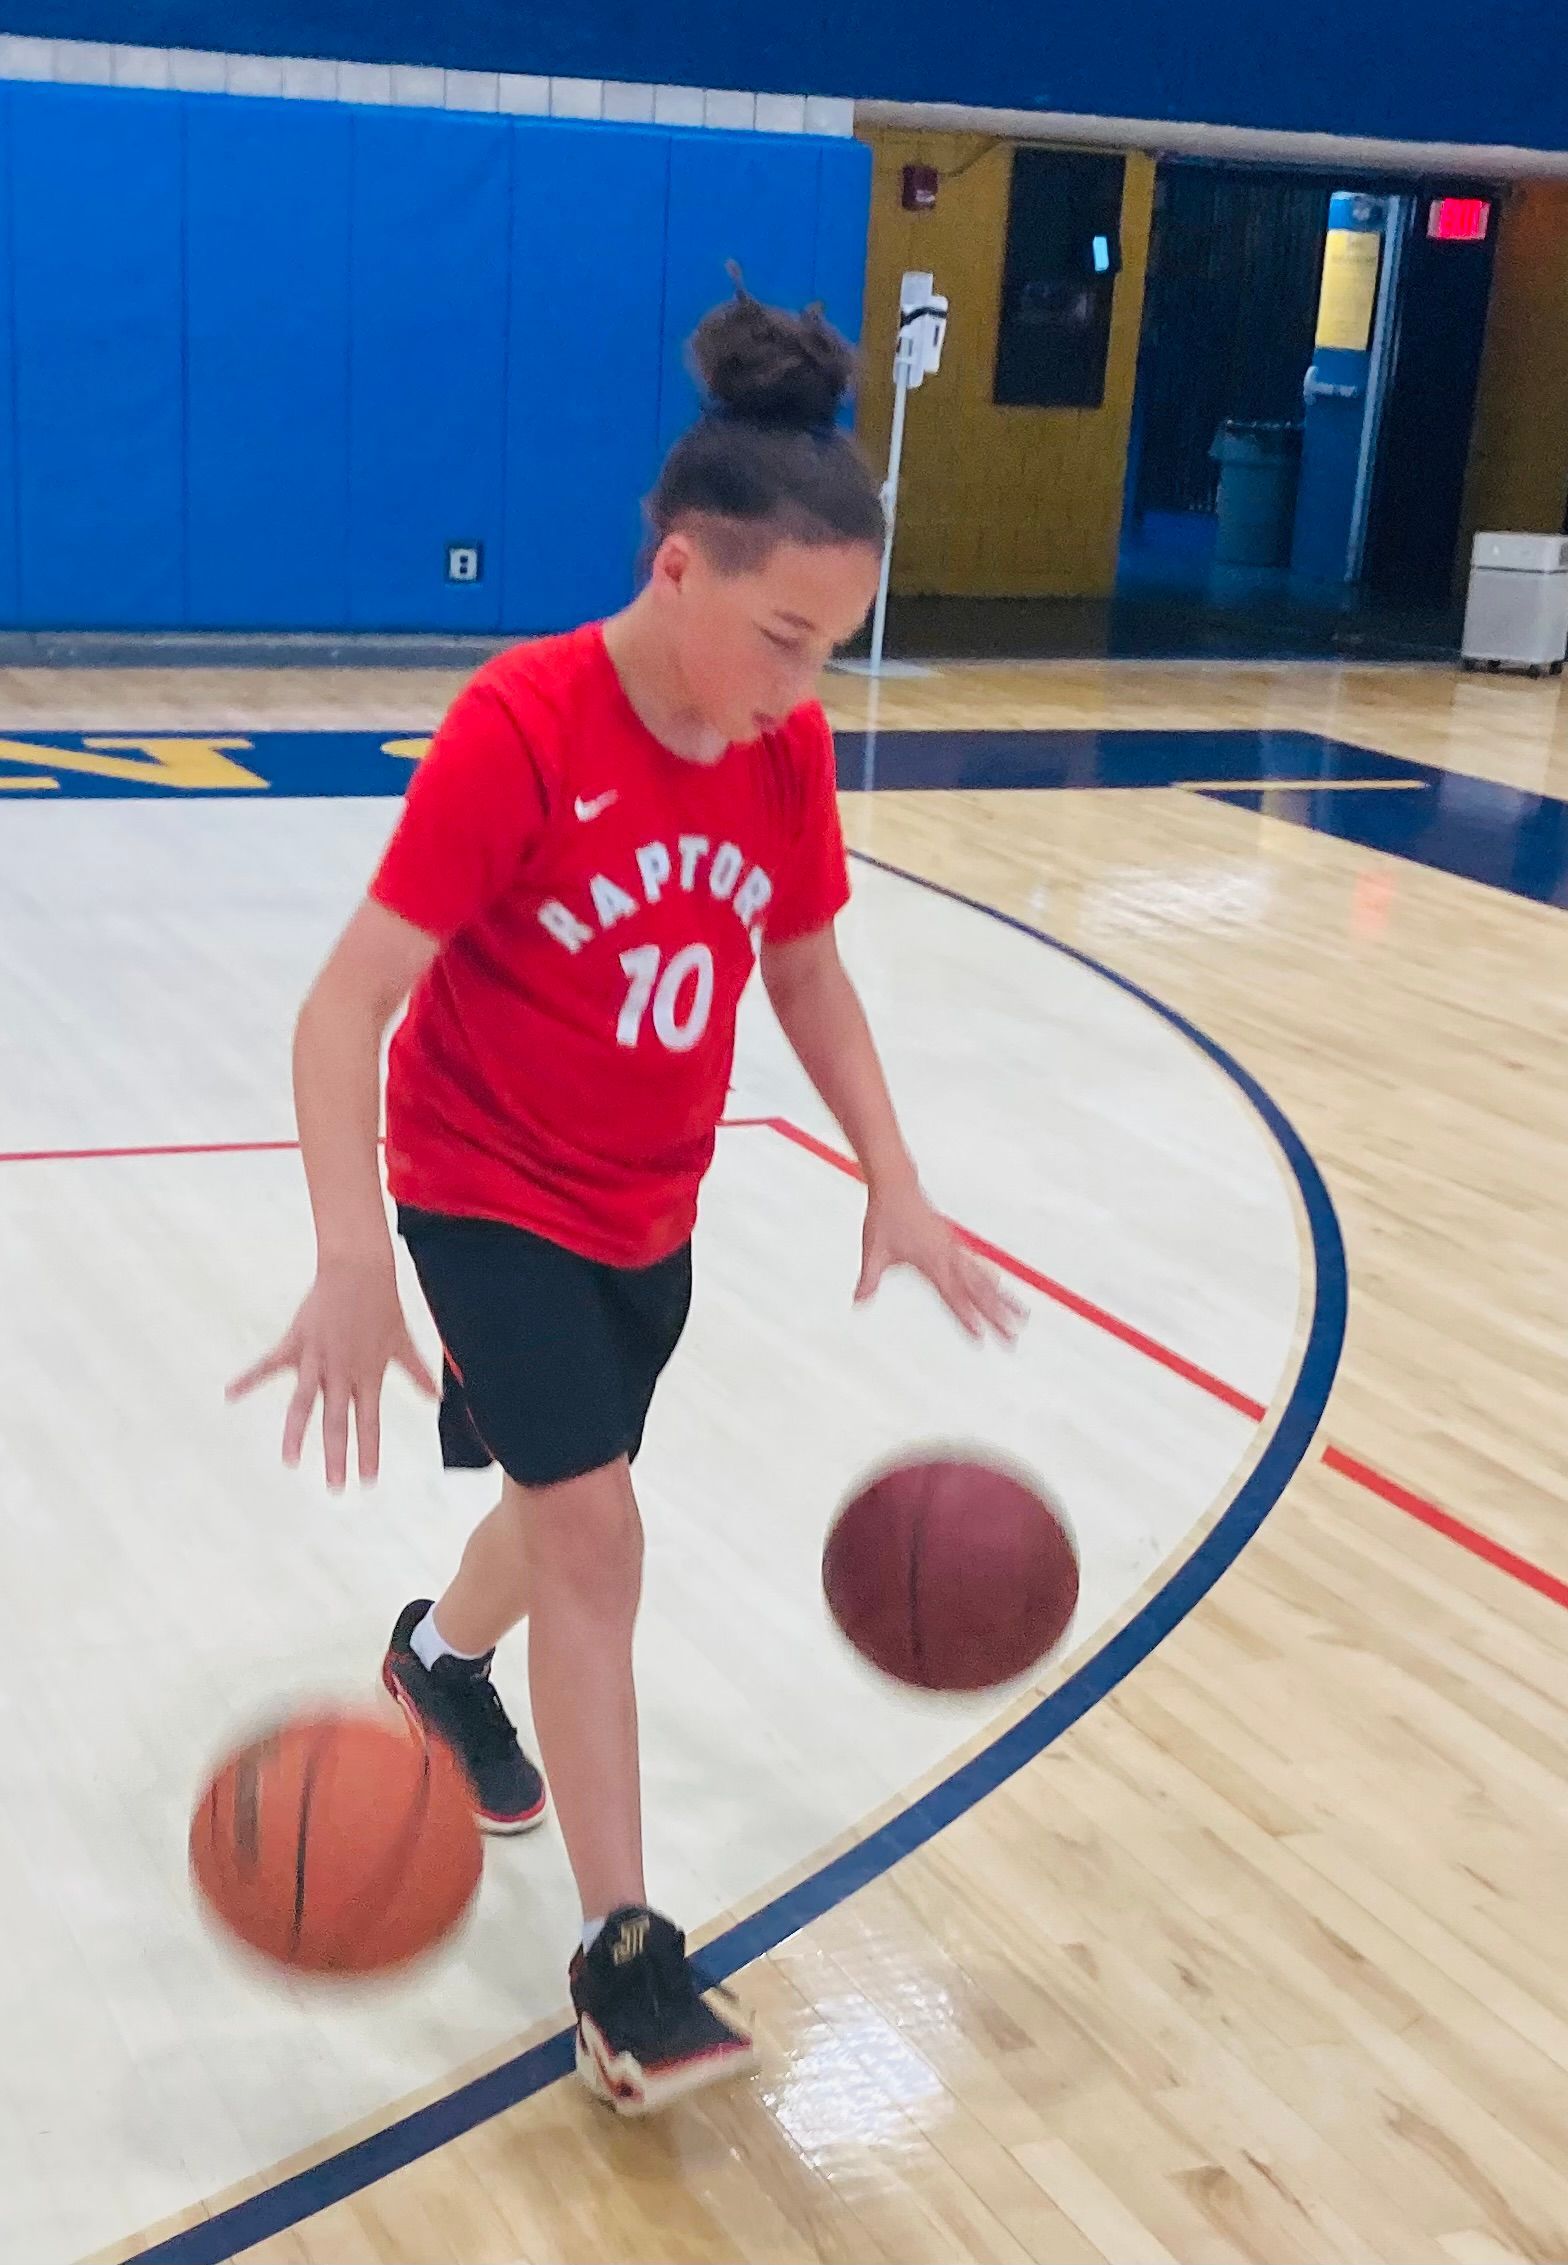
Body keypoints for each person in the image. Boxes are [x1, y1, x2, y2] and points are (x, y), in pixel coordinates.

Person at [230, 285, 1020, 2117]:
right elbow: (343, 1004)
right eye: (782, 636)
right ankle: (624, 1960)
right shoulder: (521, 726)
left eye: (835, 648)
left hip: (647, 1208)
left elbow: (805, 971)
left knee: (552, 1501)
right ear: (677, 569)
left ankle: (437, 1654)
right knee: (602, 1540)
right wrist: (355, 1251)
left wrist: (894, 1175)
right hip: (479, 1185)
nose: (801, 684)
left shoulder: (782, 745)